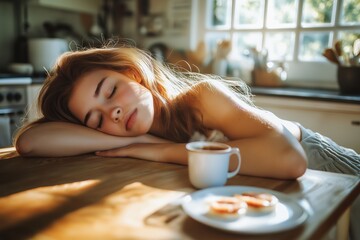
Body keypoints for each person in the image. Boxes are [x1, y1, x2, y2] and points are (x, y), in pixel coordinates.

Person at [14, 44, 359, 239]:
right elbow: (31, 142)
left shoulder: (201, 98)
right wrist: (142, 138)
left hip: (335, 171)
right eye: (96, 119)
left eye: (111, 91)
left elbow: (290, 161)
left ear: (133, 73)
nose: (113, 114)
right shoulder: (131, 129)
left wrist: (159, 150)